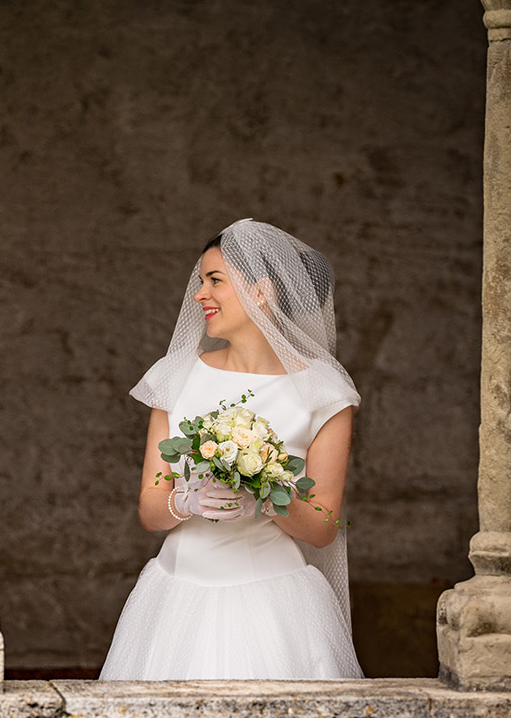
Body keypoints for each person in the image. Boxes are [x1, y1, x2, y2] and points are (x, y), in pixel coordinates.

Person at [99, 219, 363, 680]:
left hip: (274, 601)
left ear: (261, 291)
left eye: (214, 280)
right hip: (174, 595)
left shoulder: (323, 392)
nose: (199, 294)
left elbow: (323, 526)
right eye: (201, 280)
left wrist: (264, 494)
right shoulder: (173, 377)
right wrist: (184, 500)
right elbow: (149, 508)